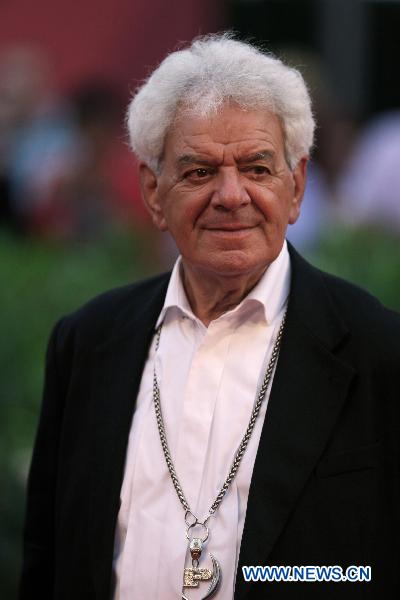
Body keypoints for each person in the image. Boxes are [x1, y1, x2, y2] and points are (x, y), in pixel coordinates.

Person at [19, 34, 399, 600]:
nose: (231, 195)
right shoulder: (87, 343)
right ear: (153, 191)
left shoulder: (379, 351)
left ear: (295, 187)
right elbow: (49, 561)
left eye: (257, 168)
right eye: (198, 171)